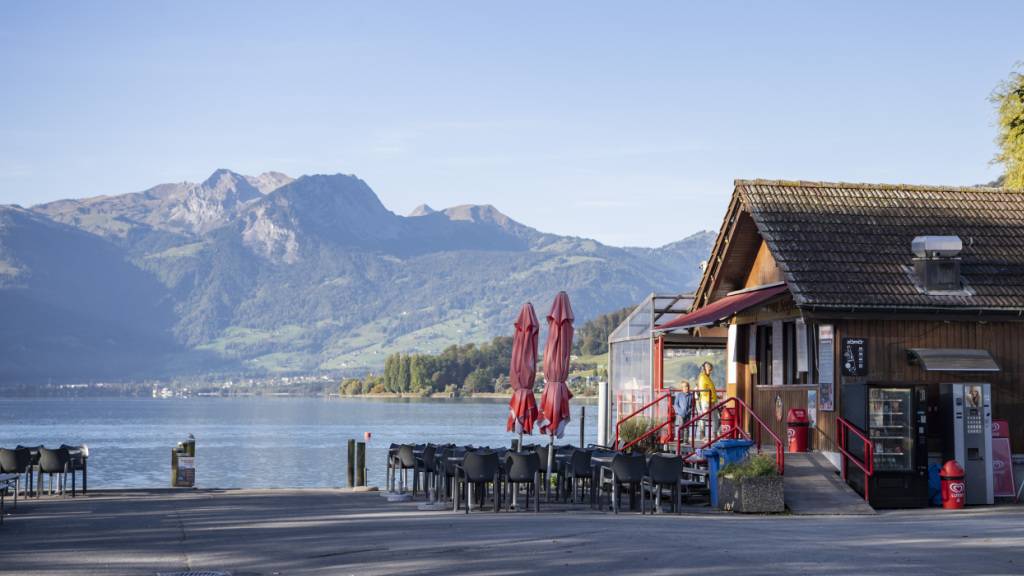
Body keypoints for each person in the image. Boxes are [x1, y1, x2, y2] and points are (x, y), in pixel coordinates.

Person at [697, 362, 720, 440]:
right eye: (709, 369)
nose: (710, 371)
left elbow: (711, 389)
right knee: (704, 417)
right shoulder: (702, 377)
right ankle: (702, 434)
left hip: (712, 400)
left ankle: (715, 433)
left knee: (716, 418)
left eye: (711, 369)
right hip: (706, 401)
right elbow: (703, 391)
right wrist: (709, 398)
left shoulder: (708, 377)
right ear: (704, 368)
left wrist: (715, 397)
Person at [673, 381, 694, 446]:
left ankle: (686, 440)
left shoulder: (691, 395)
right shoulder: (679, 395)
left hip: (688, 413)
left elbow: (692, 405)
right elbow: (676, 404)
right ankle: (680, 439)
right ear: (682, 388)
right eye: (684, 386)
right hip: (680, 414)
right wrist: (680, 411)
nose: (686, 388)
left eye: (687, 386)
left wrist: (689, 411)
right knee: (681, 426)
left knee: (687, 427)